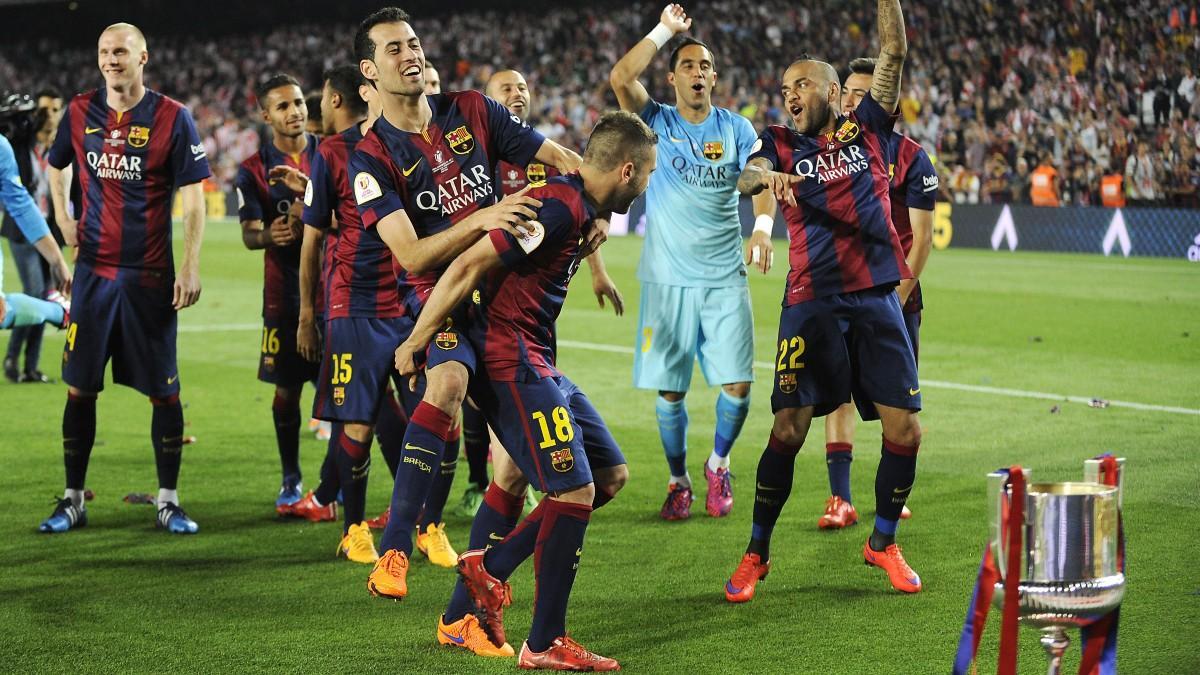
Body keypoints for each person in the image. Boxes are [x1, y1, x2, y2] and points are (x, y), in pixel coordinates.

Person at [394, 110, 653, 670]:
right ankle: (544, 642)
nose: (648, 185)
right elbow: (467, 264)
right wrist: (417, 339)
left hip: (538, 361)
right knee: (573, 491)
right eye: (649, 175)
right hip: (510, 362)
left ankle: (491, 568)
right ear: (628, 171)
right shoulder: (557, 207)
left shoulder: (577, 208)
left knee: (609, 477)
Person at [348, 6, 584, 598]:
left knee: (510, 466)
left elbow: (556, 156)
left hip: (508, 299)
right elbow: (411, 255)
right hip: (440, 297)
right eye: (393, 49)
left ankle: (471, 598)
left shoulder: (473, 111)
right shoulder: (371, 156)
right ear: (369, 71)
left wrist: (590, 201)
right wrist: (481, 218)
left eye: (414, 43)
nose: (410, 55)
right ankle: (396, 549)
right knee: (448, 380)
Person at [724, 0, 925, 600]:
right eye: (785, 87)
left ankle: (882, 541)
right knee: (787, 430)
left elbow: (893, 51)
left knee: (907, 432)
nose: (790, 93)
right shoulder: (778, 142)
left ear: (835, 91)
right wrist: (764, 180)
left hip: (875, 299)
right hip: (810, 301)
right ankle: (756, 552)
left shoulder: (868, 127)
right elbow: (747, 175)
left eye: (802, 83)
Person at [41, 23, 209, 534]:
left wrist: (190, 262)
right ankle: (72, 499)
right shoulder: (78, 111)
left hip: (150, 276)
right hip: (93, 275)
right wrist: (65, 217)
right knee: (80, 388)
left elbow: (194, 196)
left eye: (121, 52)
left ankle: (168, 500)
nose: (111, 60)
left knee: (165, 392)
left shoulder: (173, 117)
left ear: (143, 58)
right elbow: (56, 166)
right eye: (104, 52)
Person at [610, 4, 765, 520]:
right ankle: (678, 481)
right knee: (671, 391)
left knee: (739, 384)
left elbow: (760, 176)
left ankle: (718, 464)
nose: (699, 72)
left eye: (706, 66)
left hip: (724, 276)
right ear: (673, 77)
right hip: (667, 280)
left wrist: (762, 227)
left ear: (714, 78)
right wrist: (666, 31)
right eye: (689, 65)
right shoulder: (655, 122)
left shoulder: (737, 129)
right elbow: (620, 76)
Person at [817, 57, 935, 529]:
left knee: (896, 404)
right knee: (838, 394)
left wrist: (897, 295)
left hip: (894, 295)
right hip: (840, 293)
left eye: (861, 94)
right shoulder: (823, 151)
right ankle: (839, 499)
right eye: (846, 92)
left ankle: (890, 494)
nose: (850, 101)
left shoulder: (910, 157)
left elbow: (922, 239)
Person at [235, 74, 320, 512]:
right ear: (267, 115)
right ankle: (291, 476)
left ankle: (333, 485)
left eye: (300, 102)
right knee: (286, 391)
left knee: (344, 395)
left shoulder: (327, 154)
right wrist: (272, 234)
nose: (296, 111)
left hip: (335, 293)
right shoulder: (252, 169)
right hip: (282, 298)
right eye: (284, 106)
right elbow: (249, 235)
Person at [3, 88, 65, 383]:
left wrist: (60, 255)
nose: (46, 117)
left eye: (53, 110)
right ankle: (14, 359)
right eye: (40, 111)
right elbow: (18, 202)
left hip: (46, 231)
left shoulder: (63, 149)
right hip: (21, 233)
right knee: (35, 293)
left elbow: (20, 201)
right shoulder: (16, 145)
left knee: (41, 293)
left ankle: (30, 365)